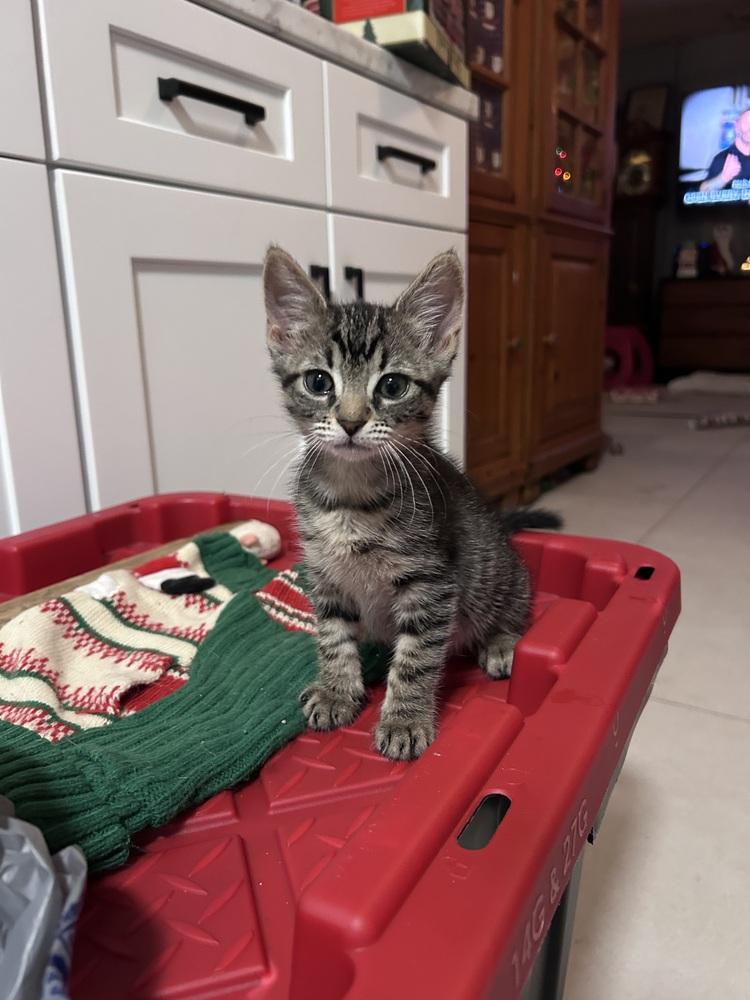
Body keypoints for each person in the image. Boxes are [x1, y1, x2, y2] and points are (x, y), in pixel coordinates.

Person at [700, 109, 750, 192]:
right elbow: (703, 191)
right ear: (737, 126)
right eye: (746, 123)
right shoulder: (722, 159)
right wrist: (723, 178)